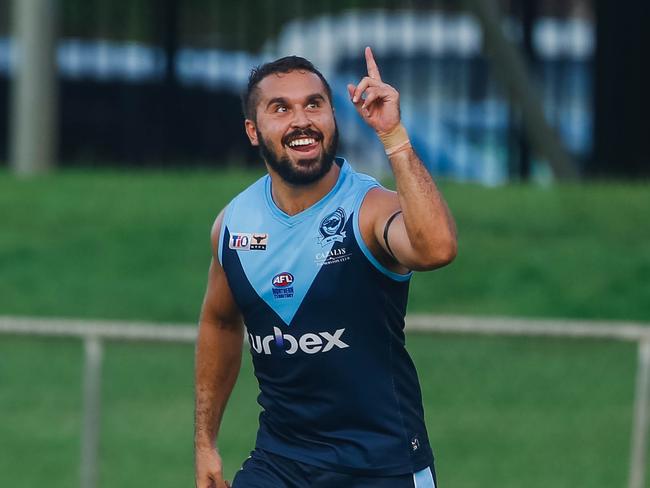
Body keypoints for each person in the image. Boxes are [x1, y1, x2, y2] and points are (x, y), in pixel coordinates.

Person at [194, 47, 457, 488]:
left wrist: (394, 137)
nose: (301, 120)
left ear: (333, 118)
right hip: (279, 464)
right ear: (253, 131)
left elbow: (436, 249)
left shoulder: (369, 209)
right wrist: (206, 443)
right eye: (281, 108)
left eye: (314, 104)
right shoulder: (233, 226)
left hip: (381, 468)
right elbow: (219, 323)